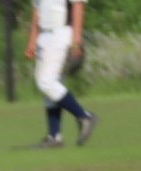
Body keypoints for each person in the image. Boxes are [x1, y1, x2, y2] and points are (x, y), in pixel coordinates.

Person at [24, 0, 98, 148]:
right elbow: (37, 10)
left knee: (46, 82)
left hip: (61, 33)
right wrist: (32, 40)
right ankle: (54, 136)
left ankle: (84, 116)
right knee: (50, 87)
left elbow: (78, 5)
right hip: (44, 35)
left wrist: (76, 41)